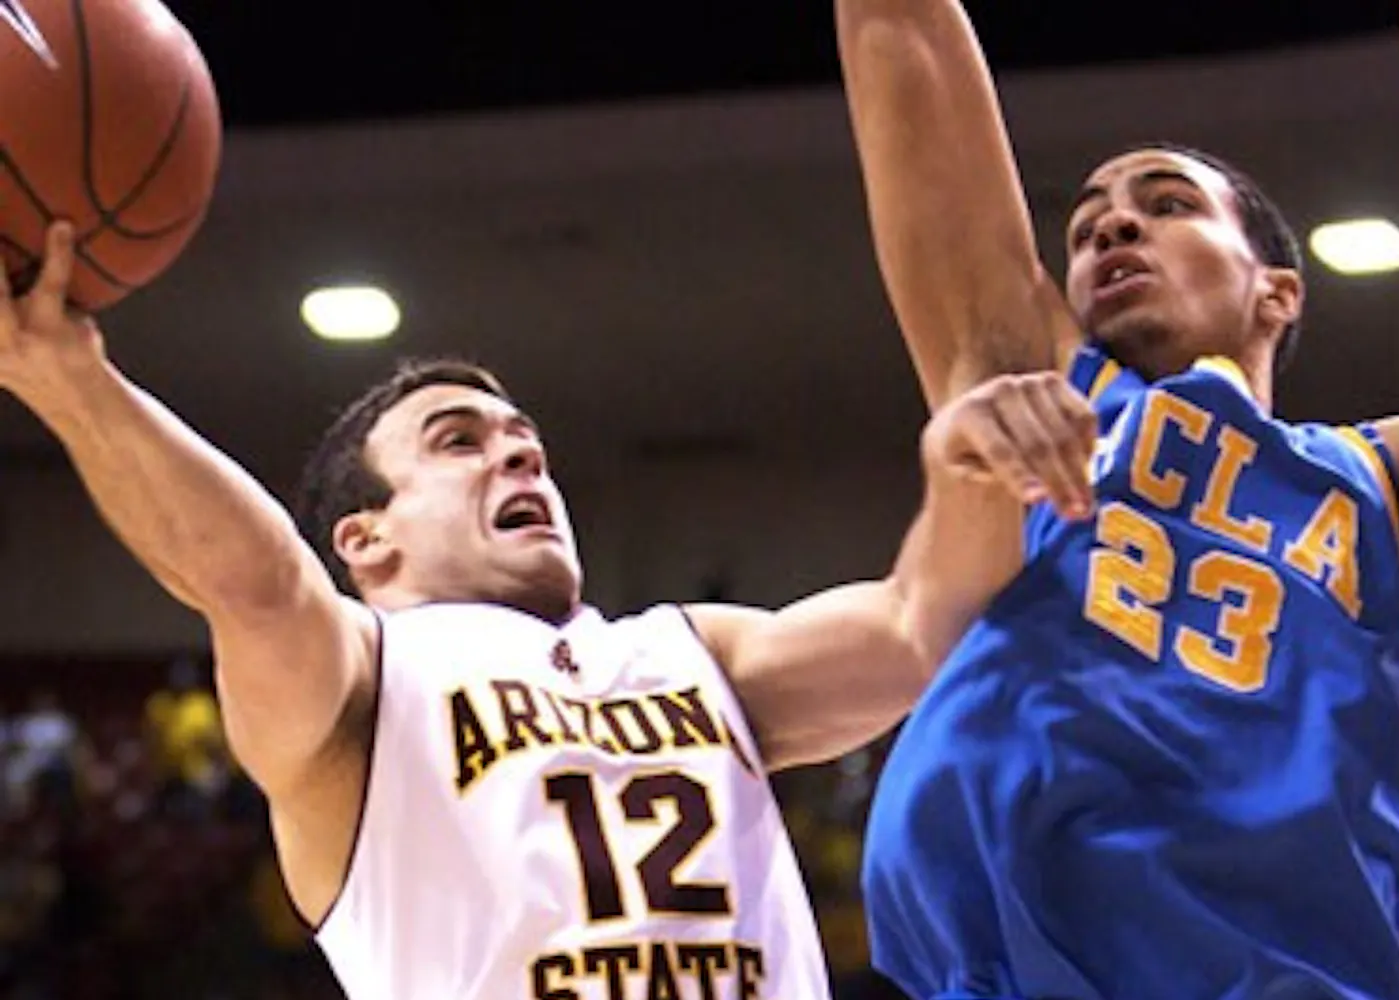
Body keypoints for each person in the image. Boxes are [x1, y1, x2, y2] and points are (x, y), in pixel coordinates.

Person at [0, 221, 1064, 997]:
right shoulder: (363, 678)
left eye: (524, 441)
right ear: (366, 540)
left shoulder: (690, 647)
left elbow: (919, 623)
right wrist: (71, 382)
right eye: (458, 440)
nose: (518, 451)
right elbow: (253, 577)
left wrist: (972, 464)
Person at [836, 1, 1399, 998]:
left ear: (1277, 291)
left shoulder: (1382, 484)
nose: (1112, 220)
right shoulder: (1031, 393)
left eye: (1168, 202)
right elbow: (904, 32)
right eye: (1089, 217)